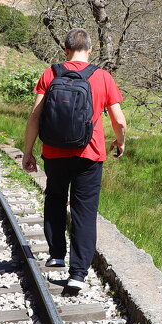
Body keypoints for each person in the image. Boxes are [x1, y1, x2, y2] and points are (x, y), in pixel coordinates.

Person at [21, 28, 126, 296]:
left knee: (55, 198)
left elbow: (35, 117)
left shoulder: (50, 73)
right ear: (90, 50)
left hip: (54, 152)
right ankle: (78, 274)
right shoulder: (102, 76)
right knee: (84, 211)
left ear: (66, 49)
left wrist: (28, 151)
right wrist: (120, 141)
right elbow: (119, 120)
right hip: (89, 154)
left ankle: (57, 254)